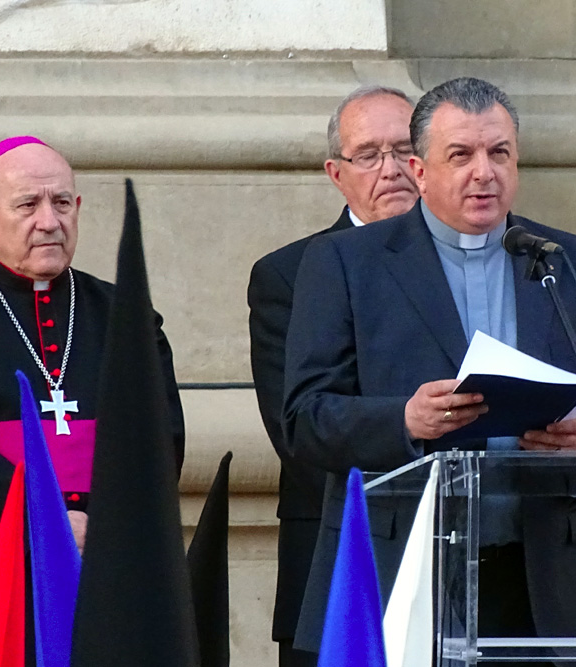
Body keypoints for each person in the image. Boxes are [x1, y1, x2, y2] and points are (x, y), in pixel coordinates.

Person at [283, 77, 576, 658]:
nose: (484, 172)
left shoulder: (573, 262)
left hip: (539, 581)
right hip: (400, 569)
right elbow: (305, 419)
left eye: (499, 152)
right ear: (420, 170)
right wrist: (405, 420)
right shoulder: (345, 264)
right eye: (461, 155)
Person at [0, 136, 185, 667]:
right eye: (27, 205)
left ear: (77, 209)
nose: (49, 221)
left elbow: (160, 438)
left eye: (61, 203)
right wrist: (48, 522)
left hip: (110, 556)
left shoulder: (128, 317)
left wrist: (106, 522)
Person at [247, 85, 419, 667]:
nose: (391, 169)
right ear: (336, 173)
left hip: (464, 548)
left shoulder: (481, 255)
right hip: (336, 547)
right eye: (369, 155)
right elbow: (296, 430)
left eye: (405, 148)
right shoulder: (287, 276)